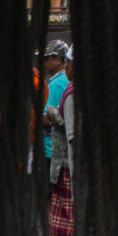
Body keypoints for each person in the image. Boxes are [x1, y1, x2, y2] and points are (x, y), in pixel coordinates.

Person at [46, 46, 75, 236]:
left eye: (68, 63)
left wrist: (53, 116)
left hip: (65, 157)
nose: (66, 67)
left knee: (68, 209)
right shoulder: (69, 85)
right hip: (64, 155)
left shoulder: (64, 87)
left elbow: (71, 132)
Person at [41, 39, 70, 178]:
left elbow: (48, 117)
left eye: (47, 58)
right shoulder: (60, 81)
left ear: (59, 59)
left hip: (51, 149)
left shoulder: (57, 84)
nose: (44, 61)